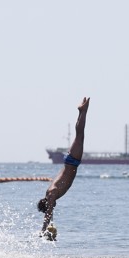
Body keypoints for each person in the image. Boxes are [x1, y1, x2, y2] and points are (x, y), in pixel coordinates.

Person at [37, 97, 90, 239]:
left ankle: (82, 111)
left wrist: (42, 230)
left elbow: (48, 213)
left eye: (51, 206)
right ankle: (82, 112)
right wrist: (50, 228)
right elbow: (50, 213)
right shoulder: (50, 195)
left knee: (80, 134)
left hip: (72, 161)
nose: (53, 208)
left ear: (48, 204)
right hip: (71, 162)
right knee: (80, 135)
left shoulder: (52, 194)